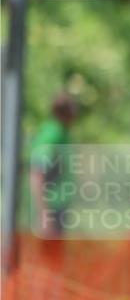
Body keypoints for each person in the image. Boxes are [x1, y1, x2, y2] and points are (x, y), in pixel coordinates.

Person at [29, 93, 79, 238]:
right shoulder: (52, 135)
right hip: (49, 207)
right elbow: (36, 174)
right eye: (72, 109)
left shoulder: (63, 133)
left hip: (59, 205)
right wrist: (44, 213)